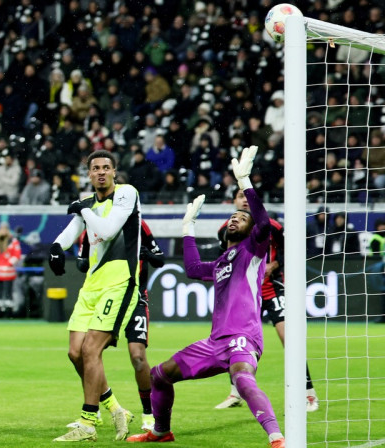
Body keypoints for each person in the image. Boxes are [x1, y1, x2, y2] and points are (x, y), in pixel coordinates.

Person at [127, 146, 286, 448]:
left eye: (243, 217)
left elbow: (265, 224)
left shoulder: (253, 252)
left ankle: (276, 438)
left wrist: (245, 183)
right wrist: (188, 228)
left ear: (251, 229)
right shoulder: (221, 263)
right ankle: (161, 432)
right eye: (233, 216)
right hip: (214, 343)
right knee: (160, 375)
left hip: (243, 337)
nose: (236, 219)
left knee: (243, 379)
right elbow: (192, 269)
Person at [47, 150, 140, 442]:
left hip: (120, 280)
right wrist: (56, 247)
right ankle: (115, 408)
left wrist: (82, 209)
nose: (101, 172)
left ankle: (88, 422)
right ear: (88, 174)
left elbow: (109, 231)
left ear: (114, 171)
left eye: (106, 167)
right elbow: (72, 230)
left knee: (90, 350)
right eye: (95, 168)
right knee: (75, 352)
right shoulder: (87, 204)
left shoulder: (126, 194)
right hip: (92, 284)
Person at [214, 186, 319, 412]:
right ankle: (235, 393)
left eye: (247, 196)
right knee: (235, 342)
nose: (244, 200)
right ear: (233, 201)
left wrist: (276, 263)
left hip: (271, 289)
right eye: (239, 196)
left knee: (288, 338)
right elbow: (224, 259)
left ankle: (308, 394)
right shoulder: (226, 228)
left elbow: (291, 249)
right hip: (244, 295)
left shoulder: (272, 226)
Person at [76, 218, 164, 432]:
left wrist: (146, 254)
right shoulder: (92, 227)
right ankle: (98, 410)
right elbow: (81, 262)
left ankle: (148, 413)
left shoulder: (138, 224)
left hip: (135, 297)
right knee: (85, 352)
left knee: (138, 357)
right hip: (106, 297)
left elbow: (159, 259)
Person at [0, 221, 21, 316]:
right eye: (2, 229)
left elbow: (16, 255)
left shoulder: (13, 241)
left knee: (7, 292)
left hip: (7, 272)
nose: (3, 231)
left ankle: (8, 311)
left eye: (5, 229)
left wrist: (8, 264)